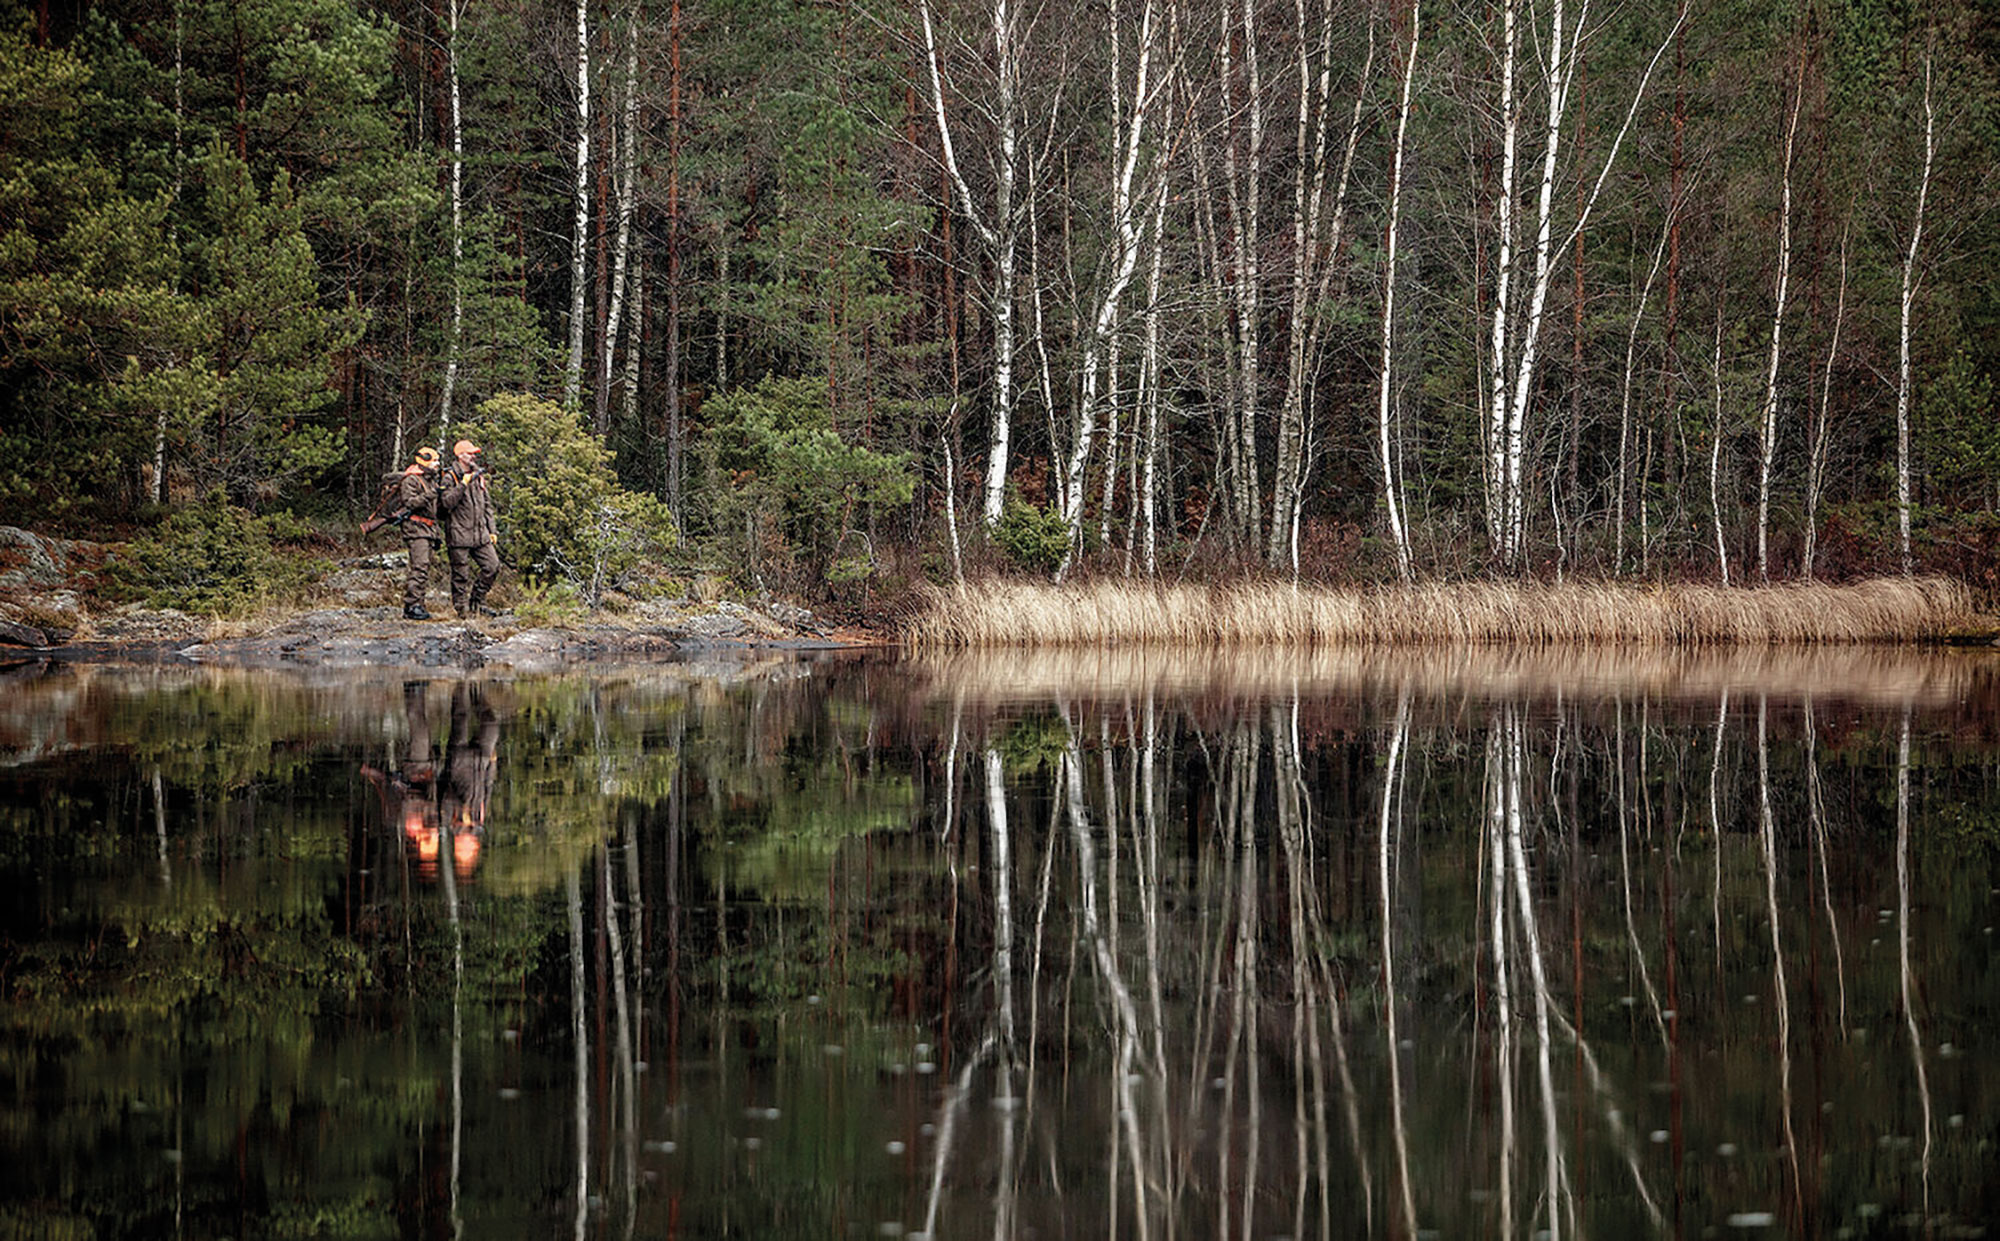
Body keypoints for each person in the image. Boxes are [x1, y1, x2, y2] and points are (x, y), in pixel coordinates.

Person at [440, 438, 501, 619]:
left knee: (492, 566)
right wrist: (463, 484)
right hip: (459, 534)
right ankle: (461, 610)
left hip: (480, 534)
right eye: (470, 453)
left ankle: (478, 602)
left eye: (475, 453)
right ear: (460, 455)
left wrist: (492, 530)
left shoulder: (478, 475)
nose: (474, 456)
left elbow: (487, 506)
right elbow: (446, 503)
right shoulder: (450, 477)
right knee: (460, 574)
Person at [395, 446, 443, 620]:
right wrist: (431, 494)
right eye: (434, 461)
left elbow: (433, 513)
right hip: (415, 529)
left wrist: (436, 535)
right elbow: (410, 503)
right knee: (420, 567)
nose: (437, 464)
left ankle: (418, 605)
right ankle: (412, 605)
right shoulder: (412, 480)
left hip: (427, 529)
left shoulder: (430, 480)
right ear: (424, 460)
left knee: (424, 567)